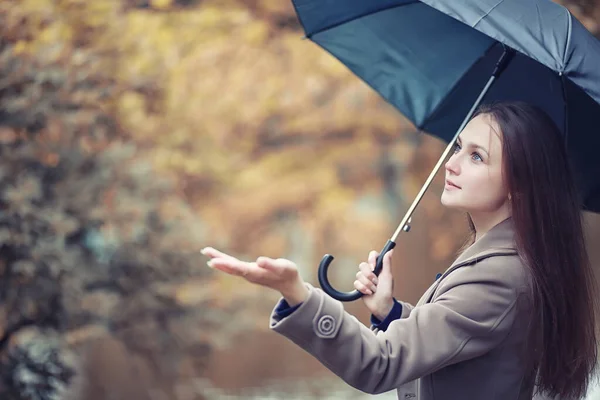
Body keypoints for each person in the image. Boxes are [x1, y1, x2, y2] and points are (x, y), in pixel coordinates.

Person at [201, 102, 598, 400]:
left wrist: (299, 296)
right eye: (458, 147)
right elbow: (457, 344)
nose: (452, 164)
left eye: (477, 157)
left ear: (518, 185)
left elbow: (380, 364)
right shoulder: (502, 258)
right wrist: (390, 312)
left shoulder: (499, 276)